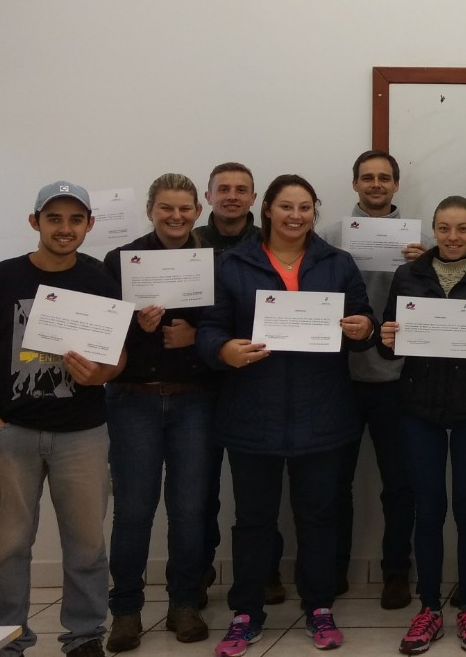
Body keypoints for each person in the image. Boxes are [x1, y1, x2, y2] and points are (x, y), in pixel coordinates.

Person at [196, 174, 377, 656]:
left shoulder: (337, 263)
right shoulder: (233, 264)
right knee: (253, 521)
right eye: (286, 207)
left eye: (304, 207)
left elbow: (365, 321)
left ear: (314, 212)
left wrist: (363, 327)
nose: (295, 216)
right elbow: (209, 329)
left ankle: (319, 607)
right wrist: (222, 350)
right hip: (252, 414)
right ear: (268, 210)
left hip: (323, 413)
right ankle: (245, 612)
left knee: (319, 518)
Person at [0, 181, 126, 657]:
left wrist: (101, 374)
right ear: (35, 222)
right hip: (12, 434)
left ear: (89, 225)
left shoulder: (100, 281)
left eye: (75, 219)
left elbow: (118, 357)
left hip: (84, 434)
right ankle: (4, 639)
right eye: (54, 218)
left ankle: (85, 636)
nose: (64, 228)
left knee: (87, 544)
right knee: (8, 546)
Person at [377, 196, 466, 655]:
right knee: (428, 509)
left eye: (462, 229)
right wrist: (386, 338)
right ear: (434, 230)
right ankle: (429, 608)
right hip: (418, 408)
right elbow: (389, 342)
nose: (453, 237)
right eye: (444, 228)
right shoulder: (408, 275)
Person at [101, 174, 216, 650]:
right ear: (150, 210)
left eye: (185, 209)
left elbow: (226, 324)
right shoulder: (120, 261)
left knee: (189, 510)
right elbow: (100, 332)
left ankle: (184, 604)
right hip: (134, 400)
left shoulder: (212, 261)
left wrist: (196, 335)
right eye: (166, 208)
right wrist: (138, 328)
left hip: (194, 399)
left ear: (198, 212)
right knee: (133, 510)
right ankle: (126, 611)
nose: (176, 216)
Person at [320, 150, 423, 609]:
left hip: (398, 379)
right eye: (368, 177)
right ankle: (333, 569)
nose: (376, 184)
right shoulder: (327, 239)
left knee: (399, 485)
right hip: (338, 379)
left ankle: (396, 573)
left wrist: (426, 267)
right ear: (355, 183)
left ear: (396, 185)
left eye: (384, 178)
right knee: (333, 484)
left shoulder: (422, 242)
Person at [193, 161, 282, 607]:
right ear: (208, 197)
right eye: (223, 189)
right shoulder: (187, 245)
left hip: (257, 383)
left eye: (241, 189)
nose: (232, 196)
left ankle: (266, 572)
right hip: (196, 383)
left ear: (254, 198)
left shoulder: (273, 243)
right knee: (199, 490)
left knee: (260, 492)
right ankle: (197, 574)